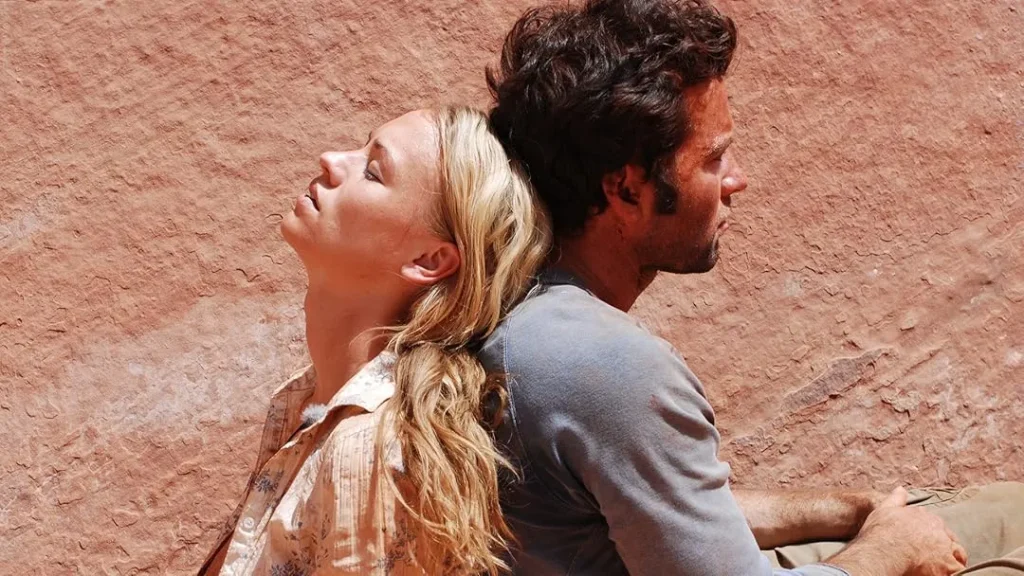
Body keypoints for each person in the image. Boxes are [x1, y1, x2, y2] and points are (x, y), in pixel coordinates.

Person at [481, 0, 1024, 575]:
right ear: (628, 189)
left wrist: (855, 510)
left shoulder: (523, 310)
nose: (737, 179)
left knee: (1011, 508)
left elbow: (673, 508)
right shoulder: (609, 367)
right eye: (714, 158)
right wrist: (892, 550)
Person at [197, 106, 551, 575]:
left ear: (428, 260)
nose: (330, 159)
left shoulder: (368, 452)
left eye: (373, 171)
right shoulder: (307, 401)